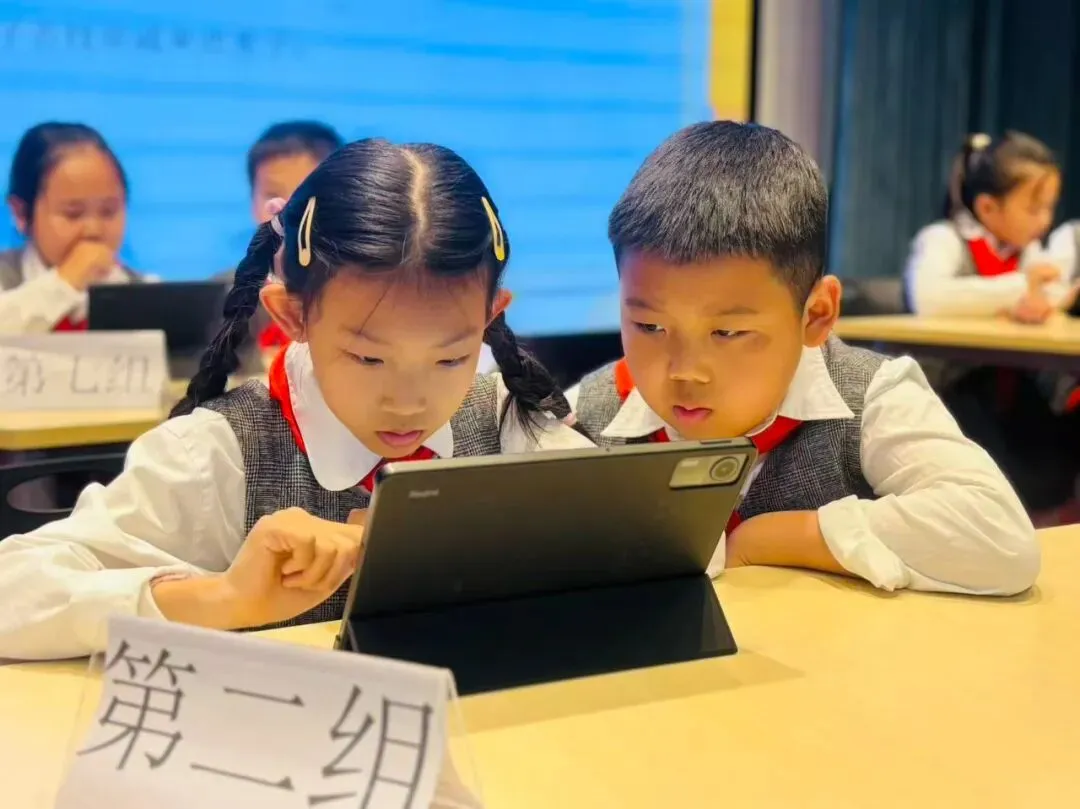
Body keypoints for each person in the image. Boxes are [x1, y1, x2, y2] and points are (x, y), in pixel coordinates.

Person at [0, 138, 592, 661]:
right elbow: (15, 590)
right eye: (368, 358)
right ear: (292, 315)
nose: (409, 402)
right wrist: (222, 597)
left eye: (450, 359)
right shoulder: (218, 453)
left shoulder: (505, 419)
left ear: (491, 316)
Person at [569, 121, 1039, 596]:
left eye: (727, 332)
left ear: (816, 314)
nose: (684, 370)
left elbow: (1001, 537)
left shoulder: (869, 396)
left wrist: (772, 539)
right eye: (649, 327)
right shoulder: (584, 416)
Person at [904, 131, 1065, 321]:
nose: (1045, 220)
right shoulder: (943, 238)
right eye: (1033, 210)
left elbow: (1053, 293)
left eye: (1049, 208)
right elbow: (928, 300)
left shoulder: (1027, 249)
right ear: (987, 208)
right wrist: (1024, 286)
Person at [0, 122, 139, 334]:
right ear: (21, 213)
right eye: (73, 214)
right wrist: (65, 283)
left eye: (108, 211)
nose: (93, 230)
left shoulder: (144, 291)